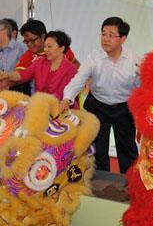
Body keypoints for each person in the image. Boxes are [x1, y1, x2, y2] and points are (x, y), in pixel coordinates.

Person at [60, 17, 140, 173]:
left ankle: (130, 183)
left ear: (123, 39)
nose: (105, 39)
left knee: (127, 148)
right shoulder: (94, 57)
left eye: (111, 35)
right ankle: (98, 183)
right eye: (103, 34)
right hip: (98, 105)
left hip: (124, 106)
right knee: (97, 148)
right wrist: (67, 97)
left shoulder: (135, 59)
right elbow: (79, 79)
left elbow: (141, 85)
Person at [0, 30, 78, 102]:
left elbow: (60, 95)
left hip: (62, 111)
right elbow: (22, 75)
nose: (45, 49)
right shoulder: (39, 63)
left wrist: (36, 102)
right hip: (39, 106)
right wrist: (7, 75)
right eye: (45, 46)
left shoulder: (71, 70)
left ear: (62, 48)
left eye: (49, 46)